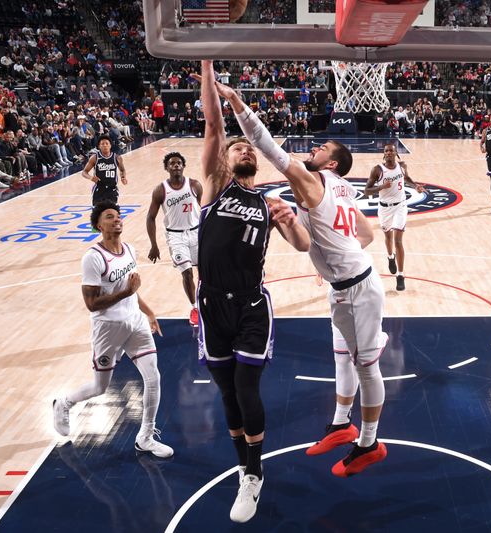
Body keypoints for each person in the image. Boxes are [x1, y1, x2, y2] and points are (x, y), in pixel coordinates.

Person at [216, 75, 390, 484]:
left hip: (359, 289)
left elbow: (267, 146)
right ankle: (341, 424)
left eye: (322, 148)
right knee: (341, 357)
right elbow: (365, 234)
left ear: (329, 164)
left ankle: (368, 443)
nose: (314, 147)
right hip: (346, 285)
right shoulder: (343, 187)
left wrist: (238, 104)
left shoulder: (312, 180)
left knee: (366, 369)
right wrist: (331, 252)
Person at [197, 61, 311, 524]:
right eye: (236, 145)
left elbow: (303, 246)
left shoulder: (270, 202)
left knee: (246, 387)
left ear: (255, 161)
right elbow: (212, 123)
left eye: (247, 146)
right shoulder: (214, 186)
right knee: (227, 393)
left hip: (249, 305)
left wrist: (292, 222)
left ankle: (253, 473)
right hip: (210, 304)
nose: (242, 147)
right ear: (227, 159)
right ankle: (244, 464)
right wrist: (205, 62)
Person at [52, 201, 173, 459]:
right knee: (100, 387)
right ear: (99, 225)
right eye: (110, 217)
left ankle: (146, 437)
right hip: (108, 328)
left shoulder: (129, 249)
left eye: (118, 216)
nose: (117, 220)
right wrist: (126, 292)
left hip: (135, 323)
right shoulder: (93, 258)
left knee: (153, 378)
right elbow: (92, 304)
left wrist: (149, 311)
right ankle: (64, 403)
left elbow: (132, 291)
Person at [146, 152, 203, 328]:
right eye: (172, 163)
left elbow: (206, 208)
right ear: (166, 168)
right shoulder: (160, 190)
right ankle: (194, 308)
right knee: (186, 273)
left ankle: (206, 303)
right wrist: (154, 245)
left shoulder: (194, 185)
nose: (176, 165)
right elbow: (150, 217)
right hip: (175, 236)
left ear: (183, 166)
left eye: (179, 163)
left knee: (205, 272)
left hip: (196, 232)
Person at [364, 143, 425, 290]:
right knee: (388, 237)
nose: (389, 152)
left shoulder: (402, 166)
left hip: (400, 206)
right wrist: (381, 187)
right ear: (384, 154)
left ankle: (400, 275)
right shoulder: (377, 170)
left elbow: (407, 178)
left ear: (396, 152)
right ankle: (390, 257)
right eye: (387, 151)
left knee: (398, 240)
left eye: (392, 150)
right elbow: (367, 191)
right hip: (384, 208)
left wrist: (415, 186)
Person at [82, 135, 126, 206]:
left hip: (112, 189)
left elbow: (122, 170)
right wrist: (91, 177)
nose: (105, 145)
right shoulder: (94, 158)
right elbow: (84, 172)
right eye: (102, 144)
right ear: (99, 146)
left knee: (111, 213)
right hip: (99, 189)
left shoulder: (117, 157)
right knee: (97, 214)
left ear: (110, 145)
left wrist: (123, 177)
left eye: (107, 143)